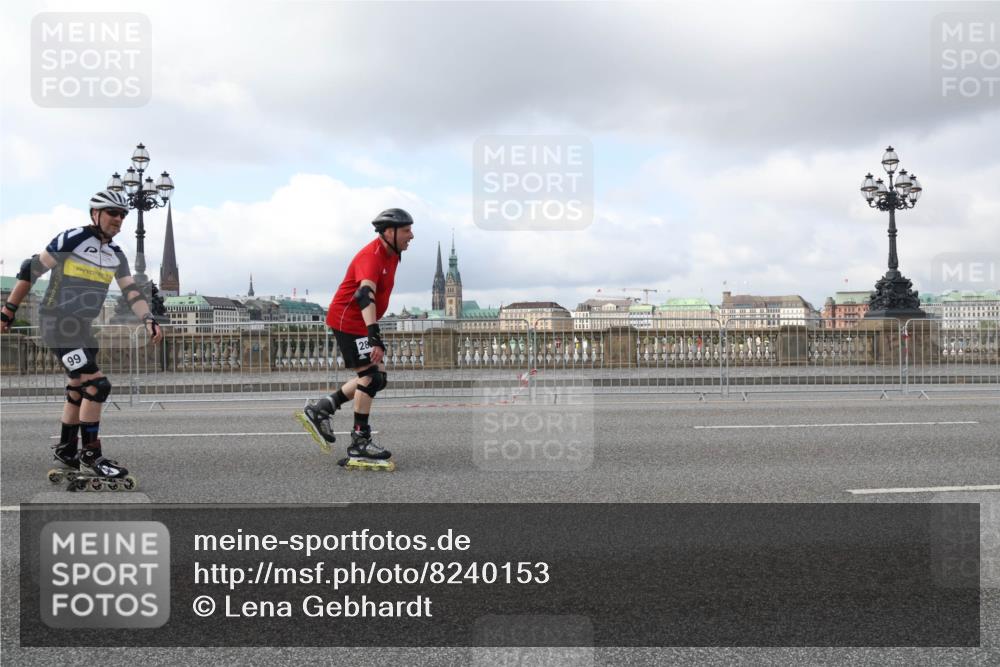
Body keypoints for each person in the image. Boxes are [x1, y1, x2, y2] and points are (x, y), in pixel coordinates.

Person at [0, 190, 164, 488]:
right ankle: (91, 456)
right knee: (97, 385)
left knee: (78, 386)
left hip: (83, 328)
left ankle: (66, 451)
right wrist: (8, 311)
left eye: (123, 214)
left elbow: (131, 291)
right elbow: (29, 269)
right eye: (112, 212)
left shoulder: (115, 254)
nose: (119, 219)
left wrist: (148, 319)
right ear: (95, 213)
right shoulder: (72, 239)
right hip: (57, 323)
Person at [299, 208, 414, 470]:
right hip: (348, 321)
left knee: (376, 378)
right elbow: (364, 294)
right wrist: (374, 335)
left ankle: (322, 409)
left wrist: (372, 330)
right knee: (370, 377)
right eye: (407, 230)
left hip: (359, 322)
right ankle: (359, 442)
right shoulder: (371, 256)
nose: (412, 235)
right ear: (389, 232)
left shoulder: (392, 254)